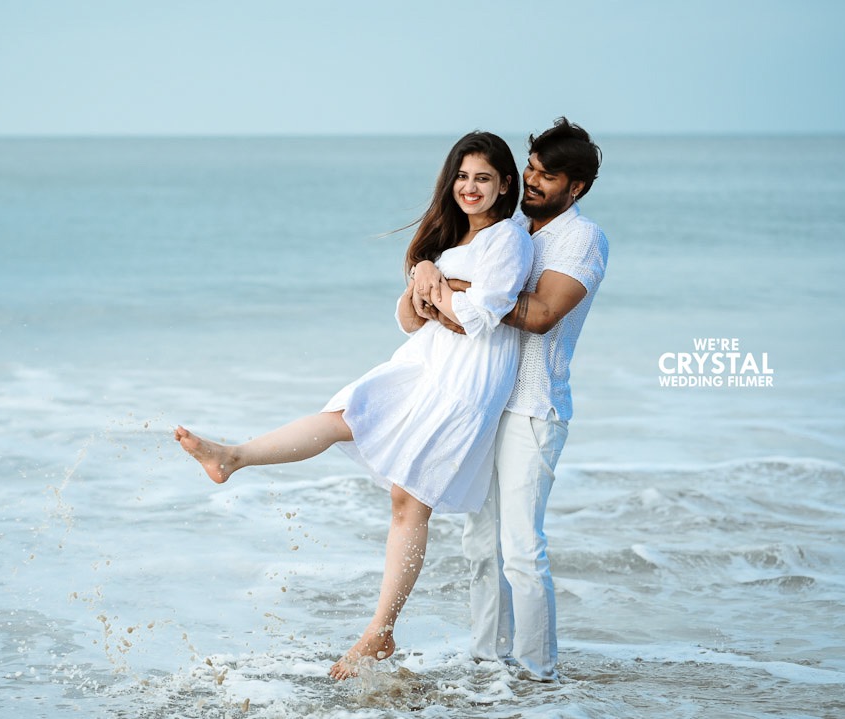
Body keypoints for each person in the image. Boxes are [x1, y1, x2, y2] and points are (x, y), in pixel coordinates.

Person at [174, 131, 533, 680]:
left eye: (483, 178)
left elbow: (479, 316)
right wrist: (425, 277)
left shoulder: (509, 240)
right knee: (348, 414)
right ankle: (232, 456)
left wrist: (436, 280)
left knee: (409, 500)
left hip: (466, 381)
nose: (469, 187)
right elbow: (411, 319)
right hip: (422, 363)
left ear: (506, 183)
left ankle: (380, 631)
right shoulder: (450, 236)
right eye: (462, 177)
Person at [419, 117, 608, 682]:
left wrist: (458, 291)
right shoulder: (508, 230)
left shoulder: (583, 238)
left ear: (575, 187)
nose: (532, 181)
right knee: (479, 543)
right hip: (482, 401)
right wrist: (433, 272)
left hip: (533, 406)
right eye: (529, 169)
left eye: (547, 176)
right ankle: (486, 659)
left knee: (522, 548)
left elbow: (545, 315)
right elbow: (450, 292)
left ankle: (537, 673)